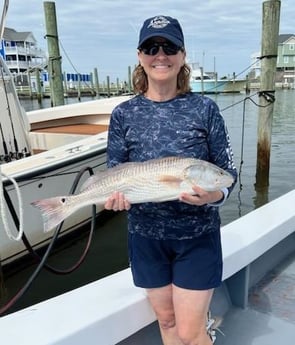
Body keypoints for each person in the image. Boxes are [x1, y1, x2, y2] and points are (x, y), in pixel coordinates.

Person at [105, 15, 237, 345]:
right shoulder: (123, 114)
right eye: (151, 47)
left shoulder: (205, 109)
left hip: (196, 238)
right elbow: (115, 170)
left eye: (169, 47)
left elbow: (228, 175)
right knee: (166, 321)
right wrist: (114, 199)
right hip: (146, 239)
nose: (160, 54)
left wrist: (212, 196)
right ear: (140, 56)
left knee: (191, 332)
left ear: (182, 55)